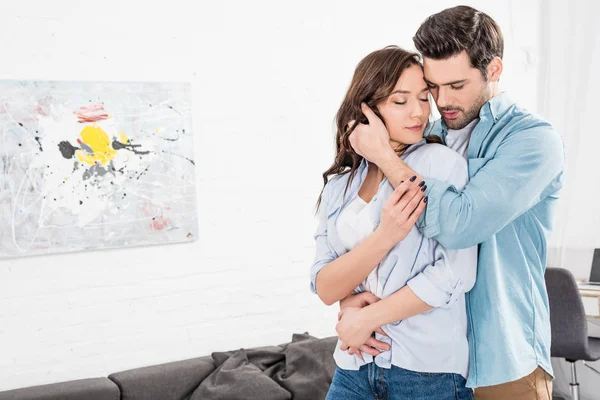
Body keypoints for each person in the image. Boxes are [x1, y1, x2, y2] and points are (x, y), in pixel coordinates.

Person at [342, 6, 564, 399]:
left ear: (493, 70)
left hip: (502, 362)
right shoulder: (425, 135)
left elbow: (461, 225)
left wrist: (387, 158)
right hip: (430, 364)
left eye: (457, 86)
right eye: (433, 87)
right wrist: (350, 297)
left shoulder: (532, 141)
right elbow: (374, 230)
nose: (441, 101)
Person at [311, 45, 477, 400]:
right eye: (400, 101)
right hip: (354, 366)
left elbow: (456, 272)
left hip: (426, 370)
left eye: (423, 98)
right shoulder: (341, 185)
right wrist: (385, 237)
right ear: (366, 109)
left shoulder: (441, 165)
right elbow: (325, 286)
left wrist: (367, 319)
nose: (418, 112)